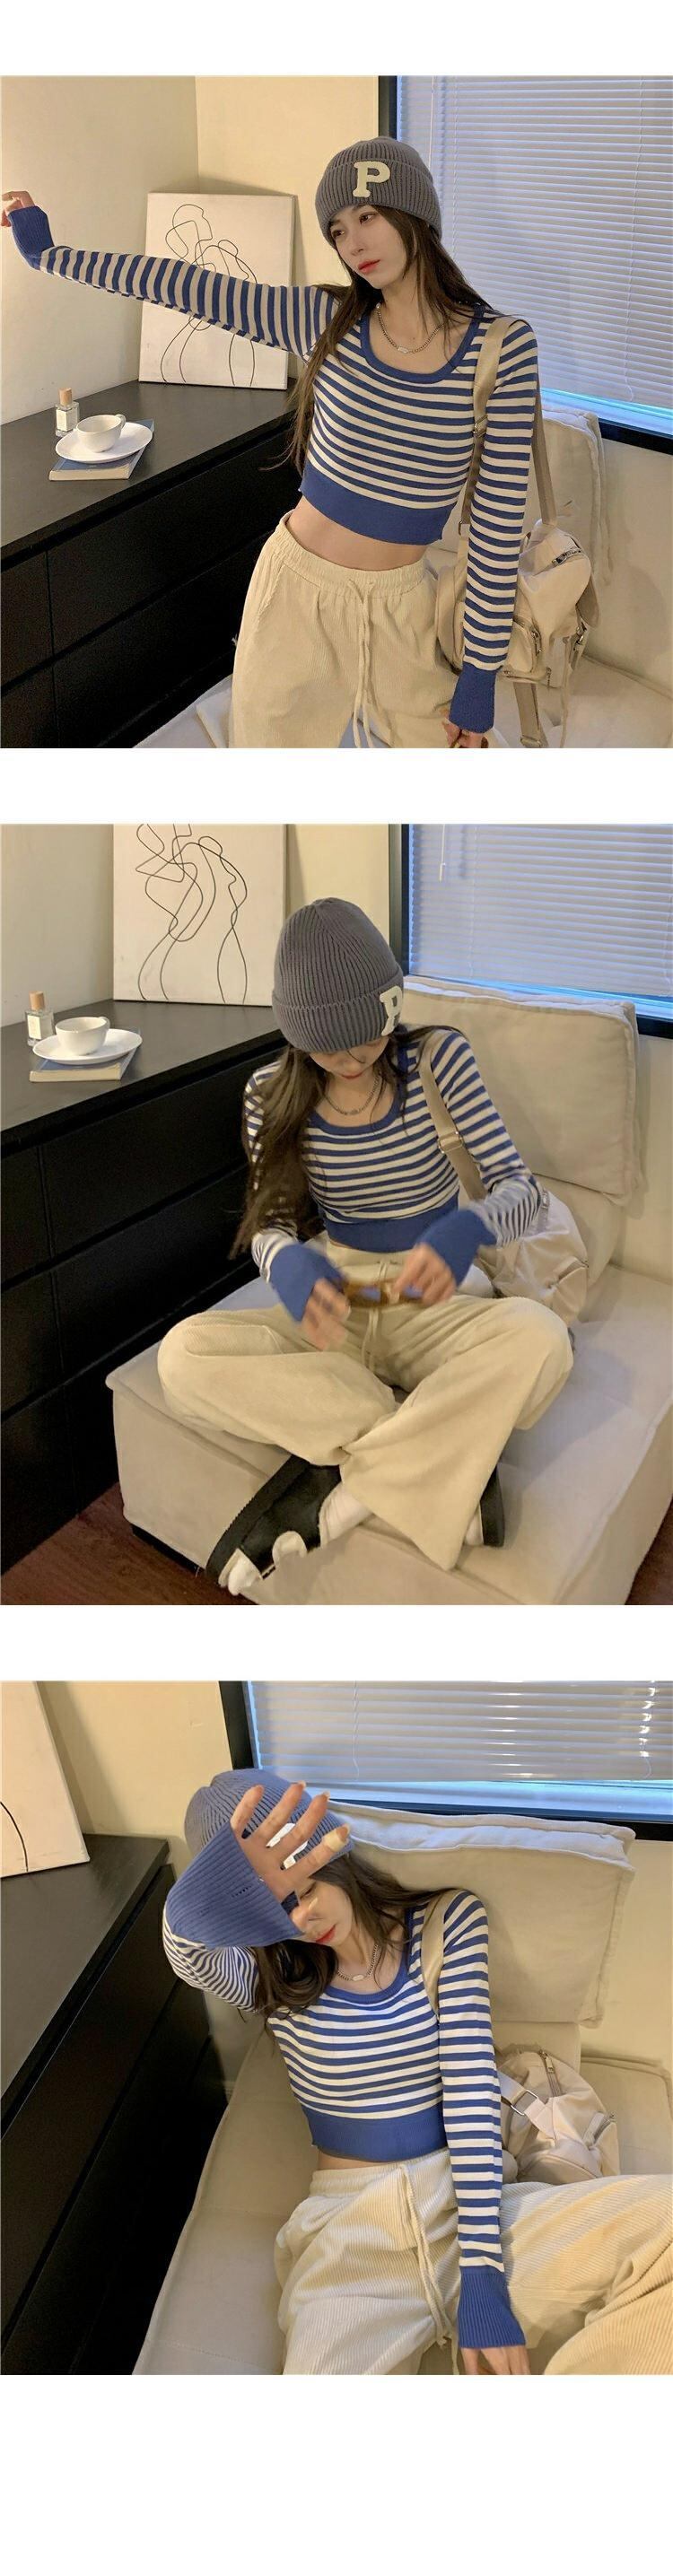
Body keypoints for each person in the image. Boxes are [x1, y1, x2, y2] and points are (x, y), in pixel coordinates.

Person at [3, 136, 538, 747]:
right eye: (338, 230)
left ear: (415, 213)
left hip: (402, 610)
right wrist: (49, 255)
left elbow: (497, 526)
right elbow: (181, 284)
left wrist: (480, 677)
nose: (353, 243)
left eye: (368, 216)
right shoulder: (327, 320)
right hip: (294, 593)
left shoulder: (502, 348)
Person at [163, 1770, 673, 2378]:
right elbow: (189, 1954)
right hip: (352, 2236)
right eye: (274, 1906)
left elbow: (470, 2084)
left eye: (307, 1883)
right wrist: (217, 1894)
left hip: (472, 2207)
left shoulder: (448, 1922)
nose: (302, 1916)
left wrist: (483, 2274)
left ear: (332, 1850)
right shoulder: (267, 1976)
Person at [156, 900, 572, 1594]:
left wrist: (466, 1228)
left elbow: (519, 1187)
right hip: (337, 1308)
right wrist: (286, 1262)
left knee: (543, 1341)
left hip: (433, 1302)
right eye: (330, 1048)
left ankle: (338, 1495)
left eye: (370, 1038)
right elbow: (270, 1224)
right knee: (181, 1359)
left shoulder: (440, 1061)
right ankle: (429, 1445)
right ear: (297, 1035)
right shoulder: (267, 1094)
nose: (353, 1060)